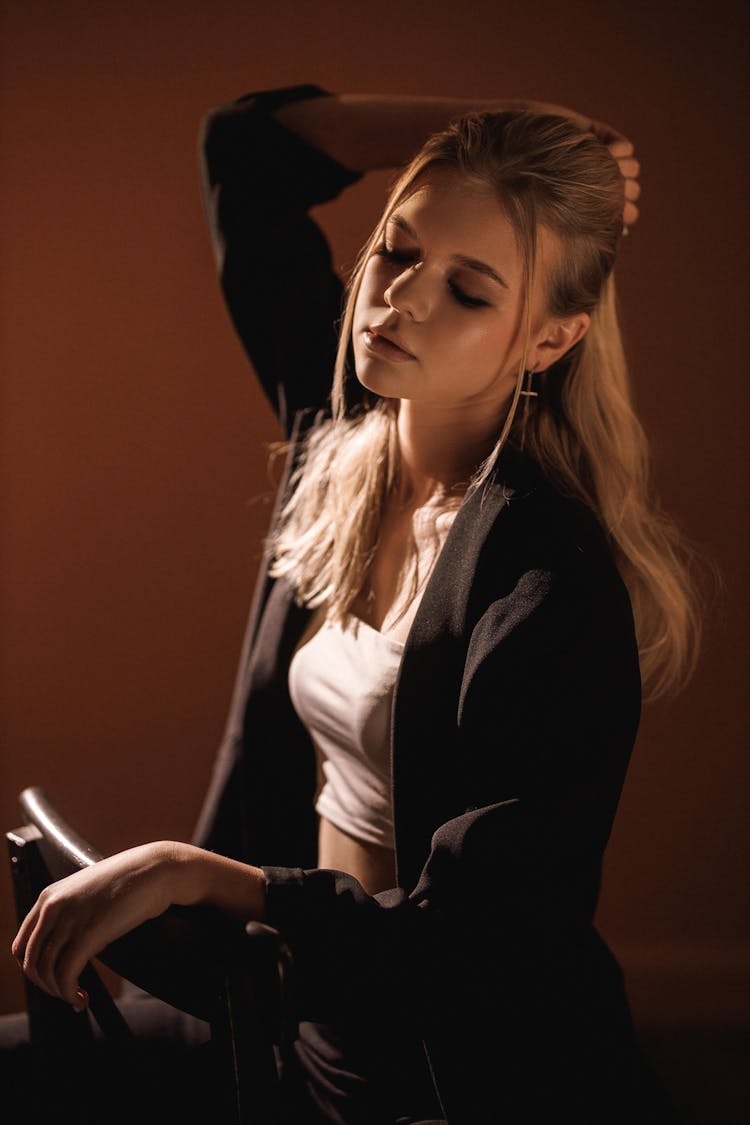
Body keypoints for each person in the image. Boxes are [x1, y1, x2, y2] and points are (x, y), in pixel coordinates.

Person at [8, 84, 698, 1123]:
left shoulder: (548, 588)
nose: (401, 300)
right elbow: (244, 151)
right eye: (397, 250)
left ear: (550, 341)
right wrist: (501, 129)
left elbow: (470, 950)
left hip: (438, 1074)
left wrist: (196, 875)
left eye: (470, 292)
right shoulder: (342, 432)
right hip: (277, 1011)